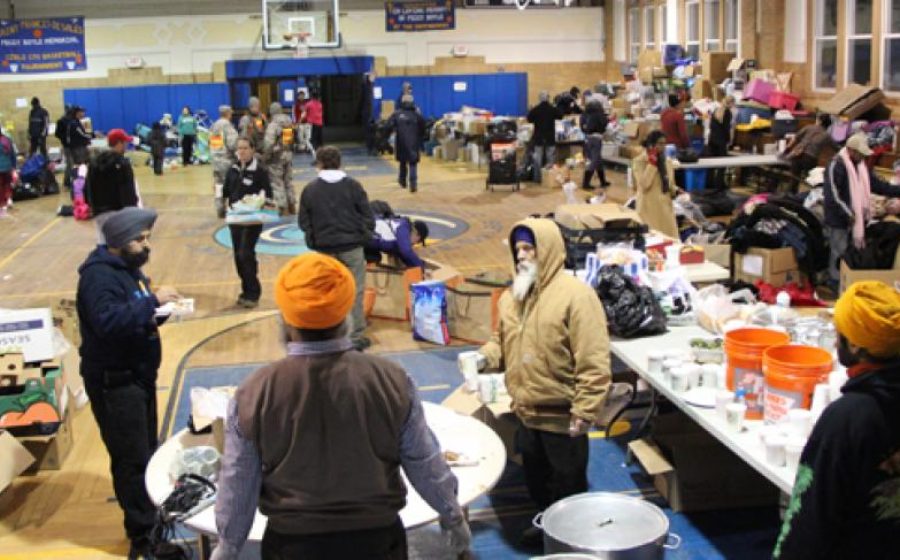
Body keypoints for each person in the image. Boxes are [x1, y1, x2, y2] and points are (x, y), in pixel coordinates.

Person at [209, 253, 471, 560]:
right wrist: (453, 516)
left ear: (285, 320)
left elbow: (238, 481)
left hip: (293, 546)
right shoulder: (393, 380)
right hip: (377, 542)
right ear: (347, 313)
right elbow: (424, 462)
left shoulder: (254, 392)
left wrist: (227, 546)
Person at [473, 218, 611, 544]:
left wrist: (585, 409)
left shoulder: (576, 296)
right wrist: (484, 357)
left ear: (547, 250)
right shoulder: (514, 295)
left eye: (528, 248)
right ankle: (547, 529)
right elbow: (501, 340)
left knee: (568, 486)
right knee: (537, 480)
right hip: (526, 410)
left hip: (563, 416)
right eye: (517, 249)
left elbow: (593, 358)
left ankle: (572, 543)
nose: (521, 256)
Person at [75, 207, 181, 559]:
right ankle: (143, 539)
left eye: (147, 237)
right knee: (132, 460)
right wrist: (152, 301)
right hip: (115, 382)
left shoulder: (129, 270)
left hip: (136, 377)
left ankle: (150, 523)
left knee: (146, 452)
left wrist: (159, 312)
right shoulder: (98, 278)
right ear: (119, 242)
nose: (145, 244)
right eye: (139, 239)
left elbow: (132, 316)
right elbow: (107, 322)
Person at [773, 280, 900, 560]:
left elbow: (811, 518)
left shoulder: (848, 419)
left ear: (855, 345)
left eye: (838, 333)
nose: (834, 340)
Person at [298, 146, 375, 351]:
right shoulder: (354, 186)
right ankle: (356, 336)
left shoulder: (310, 189)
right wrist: (362, 236)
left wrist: (314, 241)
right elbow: (368, 216)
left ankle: (328, 335)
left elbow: (303, 222)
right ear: (340, 162)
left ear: (320, 164)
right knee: (355, 291)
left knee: (326, 292)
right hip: (352, 248)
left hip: (324, 250)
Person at [823, 132, 900, 290]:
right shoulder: (836, 165)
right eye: (861, 154)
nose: (864, 157)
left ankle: (847, 282)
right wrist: (848, 214)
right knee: (839, 251)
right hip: (839, 218)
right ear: (851, 150)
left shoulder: (861, 167)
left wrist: (896, 190)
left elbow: (878, 186)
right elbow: (833, 195)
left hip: (856, 219)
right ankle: (835, 282)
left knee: (851, 252)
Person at [223, 137, 273, 309]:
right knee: (238, 256)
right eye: (239, 148)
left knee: (246, 253)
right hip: (234, 220)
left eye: (245, 148)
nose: (242, 151)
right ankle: (246, 290)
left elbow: (268, 194)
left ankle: (253, 292)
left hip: (252, 220)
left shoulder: (260, 171)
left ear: (252, 150)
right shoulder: (233, 169)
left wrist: (256, 201)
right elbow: (226, 191)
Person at [85, 129, 140, 243]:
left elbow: (87, 187)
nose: (126, 145)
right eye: (125, 142)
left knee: (104, 243)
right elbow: (128, 190)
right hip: (118, 211)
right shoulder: (123, 163)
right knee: (121, 246)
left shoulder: (94, 162)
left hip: (100, 212)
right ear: (119, 143)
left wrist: (91, 207)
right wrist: (133, 210)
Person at [634, 130, 679, 239]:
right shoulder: (639, 161)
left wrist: (676, 190)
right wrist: (652, 164)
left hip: (665, 208)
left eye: (664, 144)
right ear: (651, 144)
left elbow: (670, 183)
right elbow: (644, 185)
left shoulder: (666, 161)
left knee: (670, 241)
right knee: (651, 241)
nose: (663, 147)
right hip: (648, 209)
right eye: (660, 143)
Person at [782, 114, 834, 189]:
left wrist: (786, 149)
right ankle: (809, 195)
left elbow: (795, 138)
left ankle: (791, 195)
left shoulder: (809, 127)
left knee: (794, 179)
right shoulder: (827, 136)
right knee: (812, 180)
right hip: (810, 158)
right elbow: (835, 147)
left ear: (819, 121)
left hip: (797, 154)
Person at [263, 102, 297, 216]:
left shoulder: (273, 125)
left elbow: (268, 144)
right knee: (288, 182)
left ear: (271, 112)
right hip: (288, 155)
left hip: (276, 158)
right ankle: (292, 205)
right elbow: (290, 140)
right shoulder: (288, 122)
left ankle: (283, 209)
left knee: (277, 183)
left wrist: (265, 157)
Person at [388, 94, 426, 192]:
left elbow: (388, 125)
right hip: (414, 142)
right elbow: (423, 126)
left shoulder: (397, 114)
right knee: (413, 163)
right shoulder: (417, 114)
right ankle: (413, 184)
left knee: (402, 162)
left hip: (401, 142)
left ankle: (402, 181)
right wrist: (420, 137)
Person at [209, 104, 239, 218]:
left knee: (218, 186)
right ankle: (233, 208)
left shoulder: (214, 126)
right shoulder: (227, 126)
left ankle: (220, 208)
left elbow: (212, 144)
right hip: (227, 162)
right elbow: (233, 145)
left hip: (215, 161)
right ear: (228, 114)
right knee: (232, 185)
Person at [527, 91, 563, 184]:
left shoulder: (536, 109)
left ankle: (537, 178)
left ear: (539, 98)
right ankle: (549, 179)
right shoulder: (552, 108)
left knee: (537, 158)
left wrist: (530, 109)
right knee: (550, 158)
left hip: (538, 137)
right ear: (548, 98)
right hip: (550, 137)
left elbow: (529, 119)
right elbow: (560, 116)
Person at [580, 98, 610, 192]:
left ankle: (603, 181)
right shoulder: (599, 114)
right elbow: (604, 125)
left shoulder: (584, 115)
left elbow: (582, 127)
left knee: (598, 160)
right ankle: (585, 183)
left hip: (587, 138)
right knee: (594, 161)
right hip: (596, 139)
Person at [706, 95, 735, 192]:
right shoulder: (728, 113)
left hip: (712, 141)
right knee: (722, 165)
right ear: (731, 103)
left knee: (711, 165)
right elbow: (726, 129)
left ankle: (709, 184)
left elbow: (710, 126)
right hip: (721, 142)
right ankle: (719, 185)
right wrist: (729, 141)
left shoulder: (716, 110)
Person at [67, 105, 94, 171]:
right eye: (82, 112)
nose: (83, 113)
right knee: (80, 166)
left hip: (81, 147)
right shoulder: (74, 123)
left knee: (85, 164)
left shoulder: (79, 122)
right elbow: (83, 134)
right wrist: (94, 135)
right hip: (77, 148)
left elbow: (85, 133)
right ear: (77, 113)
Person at [56, 105, 75, 188]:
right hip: (67, 145)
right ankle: (67, 181)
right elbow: (57, 134)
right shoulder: (61, 121)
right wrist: (64, 138)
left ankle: (70, 180)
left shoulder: (73, 120)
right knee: (70, 163)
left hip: (74, 144)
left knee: (72, 163)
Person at [0, 124, 16, 218]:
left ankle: (2, 205)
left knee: (1, 186)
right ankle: (9, 200)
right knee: (7, 184)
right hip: (8, 166)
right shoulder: (7, 140)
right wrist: (13, 166)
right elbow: (12, 154)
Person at [361, 72, 377, 155]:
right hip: (368, 114)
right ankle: (370, 148)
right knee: (369, 133)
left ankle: (371, 148)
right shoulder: (367, 88)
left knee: (371, 133)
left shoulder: (369, 87)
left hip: (369, 114)